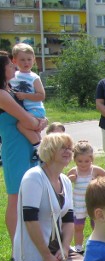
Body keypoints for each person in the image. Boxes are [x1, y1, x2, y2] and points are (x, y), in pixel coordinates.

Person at [12, 133, 83, 261]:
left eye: (69, 148)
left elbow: (68, 219)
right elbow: (30, 220)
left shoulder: (65, 180)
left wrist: (65, 248)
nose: (68, 151)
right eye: (62, 148)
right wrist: (46, 255)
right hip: (36, 249)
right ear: (49, 150)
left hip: (57, 246)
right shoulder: (34, 177)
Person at [0, 51, 46, 248]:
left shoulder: (9, 88)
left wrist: (38, 121)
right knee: (15, 196)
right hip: (15, 148)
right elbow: (26, 120)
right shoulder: (2, 95)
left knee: (29, 193)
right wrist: (40, 122)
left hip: (26, 144)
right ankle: (17, 247)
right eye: (10, 65)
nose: (14, 67)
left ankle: (29, 242)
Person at [67, 141, 105, 254]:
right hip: (79, 204)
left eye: (87, 161)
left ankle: (96, 244)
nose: (83, 164)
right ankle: (79, 247)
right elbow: (63, 183)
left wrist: (99, 181)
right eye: (80, 161)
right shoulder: (74, 171)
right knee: (78, 226)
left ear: (92, 159)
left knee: (96, 225)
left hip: (93, 202)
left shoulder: (95, 170)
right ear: (74, 159)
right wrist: (70, 179)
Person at [10, 43, 46, 155]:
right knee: (31, 128)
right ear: (14, 61)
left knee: (21, 125)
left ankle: (37, 147)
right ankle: (42, 148)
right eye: (22, 60)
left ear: (34, 60)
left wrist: (25, 96)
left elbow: (41, 95)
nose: (26, 62)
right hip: (24, 111)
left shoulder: (34, 77)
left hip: (35, 110)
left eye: (29, 59)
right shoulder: (13, 76)